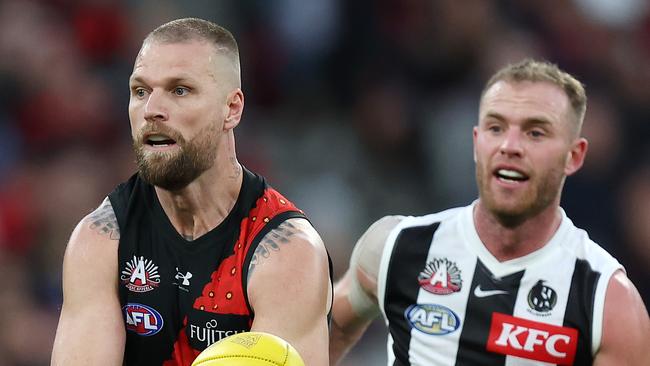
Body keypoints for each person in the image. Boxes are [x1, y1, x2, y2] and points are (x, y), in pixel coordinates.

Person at [329, 59, 650, 365]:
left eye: (535, 132)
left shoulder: (607, 301)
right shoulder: (396, 247)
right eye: (496, 128)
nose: (509, 145)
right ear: (476, 142)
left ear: (574, 155)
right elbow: (329, 334)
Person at [51, 18, 332, 366]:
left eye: (179, 90)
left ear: (232, 109)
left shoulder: (285, 254)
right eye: (140, 91)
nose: (151, 110)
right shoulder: (101, 241)